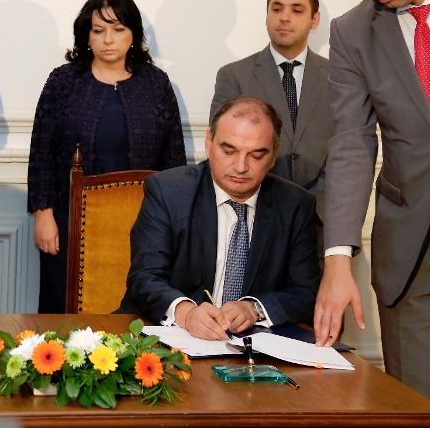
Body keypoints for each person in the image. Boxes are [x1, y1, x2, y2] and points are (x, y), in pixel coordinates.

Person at [314, 0, 430, 406]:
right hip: (412, 252)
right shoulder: (352, 33)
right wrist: (337, 260)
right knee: (421, 408)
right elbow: (351, 144)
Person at [27, 0, 186, 313]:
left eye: (118, 29)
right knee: (64, 314)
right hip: (70, 220)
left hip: (142, 222)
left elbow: (174, 159)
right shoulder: (63, 81)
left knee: (136, 310)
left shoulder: (156, 84)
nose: (108, 40)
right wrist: (43, 214)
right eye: (98, 30)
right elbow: (42, 151)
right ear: (86, 36)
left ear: (133, 34)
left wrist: (174, 224)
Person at [119, 96, 321, 339]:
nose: (241, 166)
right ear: (209, 142)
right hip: (164, 337)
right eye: (229, 151)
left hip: (251, 346)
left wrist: (253, 309)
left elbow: (305, 292)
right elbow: (145, 277)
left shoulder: (296, 205)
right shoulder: (168, 191)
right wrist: (186, 313)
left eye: (256, 155)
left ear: (274, 154)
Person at [210, 0, 332, 218]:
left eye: (296, 10)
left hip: (322, 217)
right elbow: (222, 148)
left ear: (314, 19)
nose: (284, 17)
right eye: (276, 9)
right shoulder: (234, 76)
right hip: (255, 215)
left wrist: (314, 205)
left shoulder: (339, 77)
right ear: (267, 15)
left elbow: (348, 150)